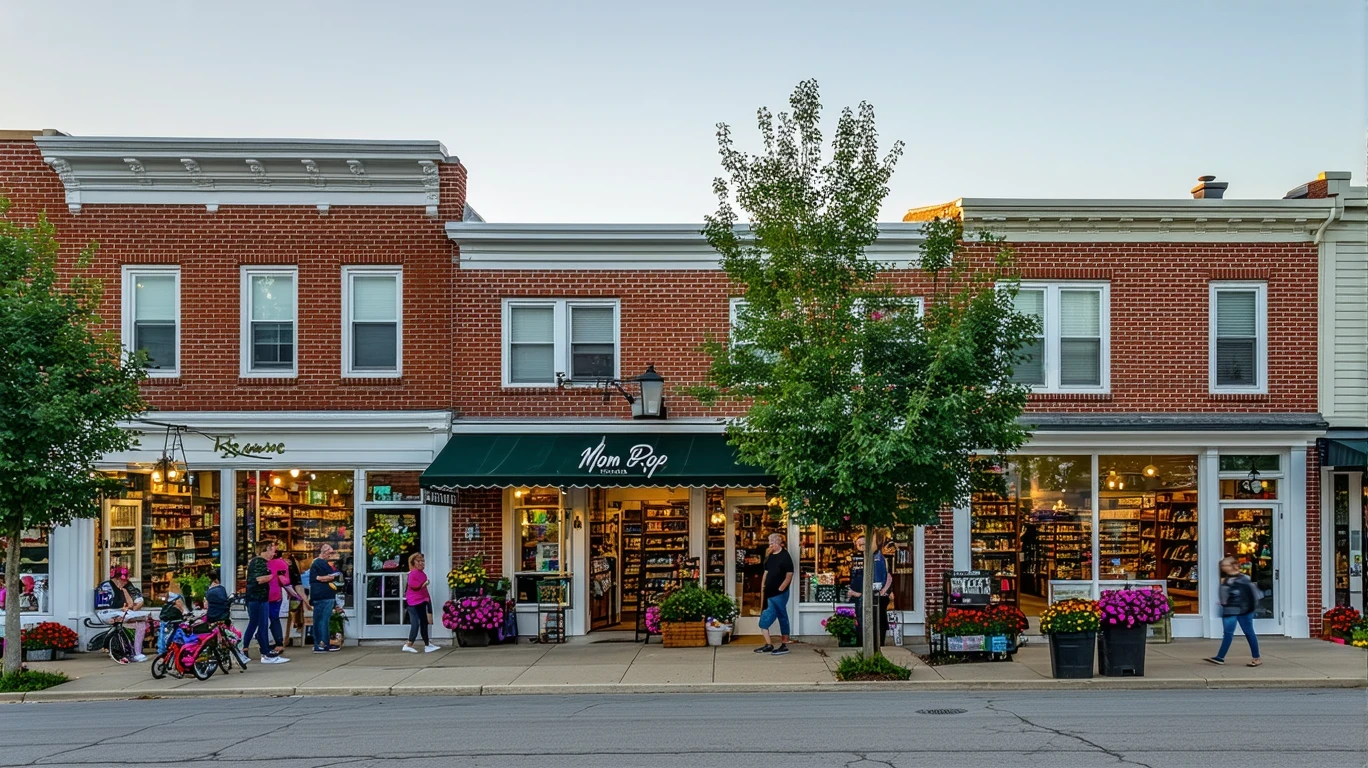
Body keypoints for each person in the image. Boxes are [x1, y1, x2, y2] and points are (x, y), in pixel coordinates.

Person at [1206, 556, 1262, 667]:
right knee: (1229, 633)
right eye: (1222, 565)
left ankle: (1256, 657)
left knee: (1248, 632)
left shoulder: (1241, 580)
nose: (1223, 567)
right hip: (1233, 610)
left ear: (1234, 565)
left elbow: (1252, 595)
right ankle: (1220, 657)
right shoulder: (1230, 580)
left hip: (1242, 610)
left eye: (1225, 565)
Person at [243, 540, 289, 664]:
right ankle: (265, 653)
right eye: (272, 550)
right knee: (261, 624)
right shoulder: (259, 562)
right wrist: (273, 575)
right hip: (258, 598)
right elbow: (259, 579)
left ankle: (251, 649)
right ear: (266, 549)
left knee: (256, 623)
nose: (273, 553)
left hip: (259, 598)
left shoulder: (258, 562)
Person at [96, 565, 151, 663]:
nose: (125, 582)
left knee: (141, 623)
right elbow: (104, 606)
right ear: (117, 578)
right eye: (123, 580)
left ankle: (137, 652)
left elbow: (132, 604)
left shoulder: (124, 587)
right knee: (137, 621)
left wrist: (125, 591)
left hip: (121, 613)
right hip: (107, 613)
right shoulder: (106, 586)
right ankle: (133, 652)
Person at [848, 533, 891, 650]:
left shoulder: (876, 558)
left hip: (870, 597)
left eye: (864, 543)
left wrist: (880, 591)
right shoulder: (863, 557)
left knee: (874, 621)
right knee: (864, 621)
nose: (862, 545)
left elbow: (880, 580)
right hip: (862, 596)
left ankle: (872, 645)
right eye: (859, 543)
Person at [754, 533, 793, 656]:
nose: (770, 545)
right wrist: (763, 586)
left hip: (779, 593)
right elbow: (766, 572)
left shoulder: (785, 556)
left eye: (772, 543)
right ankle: (768, 644)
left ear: (778, 543)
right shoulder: (770, 556)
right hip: (769, 592)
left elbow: (789, 575)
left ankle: (784, 644)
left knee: (782, 615)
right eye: (769, 543)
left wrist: (781, 588)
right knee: (765, 618)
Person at [402, 552, 439, 654]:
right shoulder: (413, 573)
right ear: (413, 562)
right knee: (417, 623)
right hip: (414, 602)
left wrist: (428, 601)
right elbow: (414, 586)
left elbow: (423, 591)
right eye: (418, 561)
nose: (421, 563)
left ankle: (427, 644)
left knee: (423, 622)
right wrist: (424, 584)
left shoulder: (422, 574)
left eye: (423, 561)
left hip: (421, 601)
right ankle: (409, 644)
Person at [309, 543, 343, 653]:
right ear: (325, 552)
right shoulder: (321, 563)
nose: (331, 555)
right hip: (323, 596)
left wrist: (324, 577)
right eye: (330, 552)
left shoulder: (317, 563)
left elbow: (319, 577)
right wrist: (330, 577)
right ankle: (322, 644)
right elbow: (327, 577)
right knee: (323, 620)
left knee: (320, 620)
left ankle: (321, 644)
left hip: (320, 596)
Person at [266, 548, 293, 654]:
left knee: (261, 620)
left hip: (263, 595)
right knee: (274, 619)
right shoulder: (282, 563)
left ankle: (263, 642)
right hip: (276, 594)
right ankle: (278, 643)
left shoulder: (261, 562)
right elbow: (286, 581)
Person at [156, 584, 190, 655]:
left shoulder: (170, 603)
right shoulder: (176, 601)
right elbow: (183, 609)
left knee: (165, 637)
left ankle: (163, 651)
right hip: (172, 623)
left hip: (170, 623)